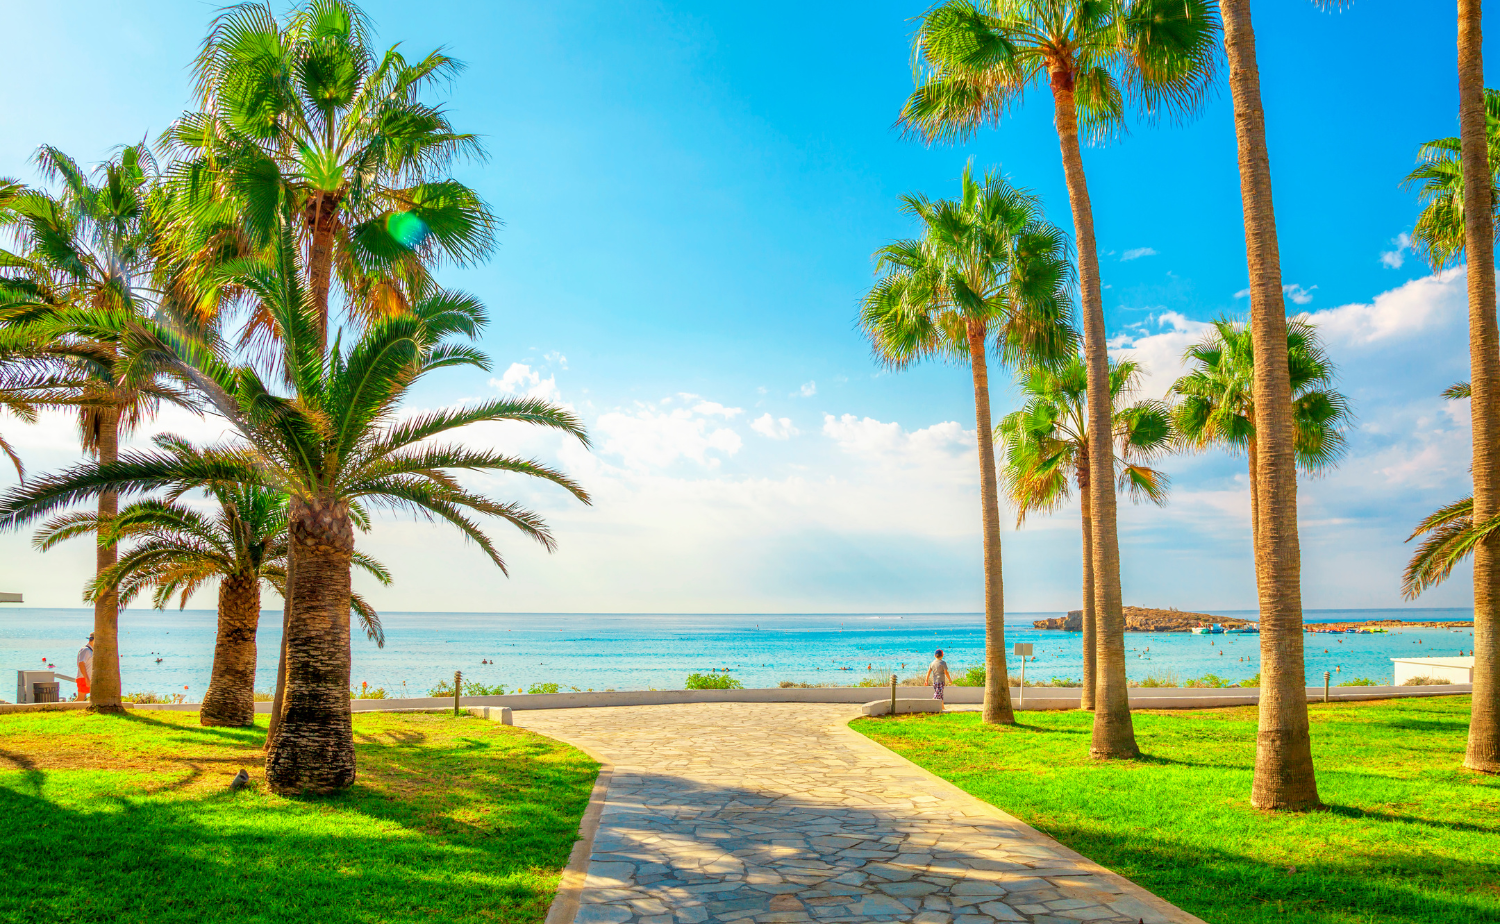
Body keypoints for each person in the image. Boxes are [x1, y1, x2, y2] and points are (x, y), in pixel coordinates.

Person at [75, 634, 93, 701]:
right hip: (83, 678)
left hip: (87, 678)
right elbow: (81, 664)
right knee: (81, 698)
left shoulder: (90, 650)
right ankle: (72, 709)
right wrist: (86, 678)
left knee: (82, 698)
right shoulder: (86, 650)